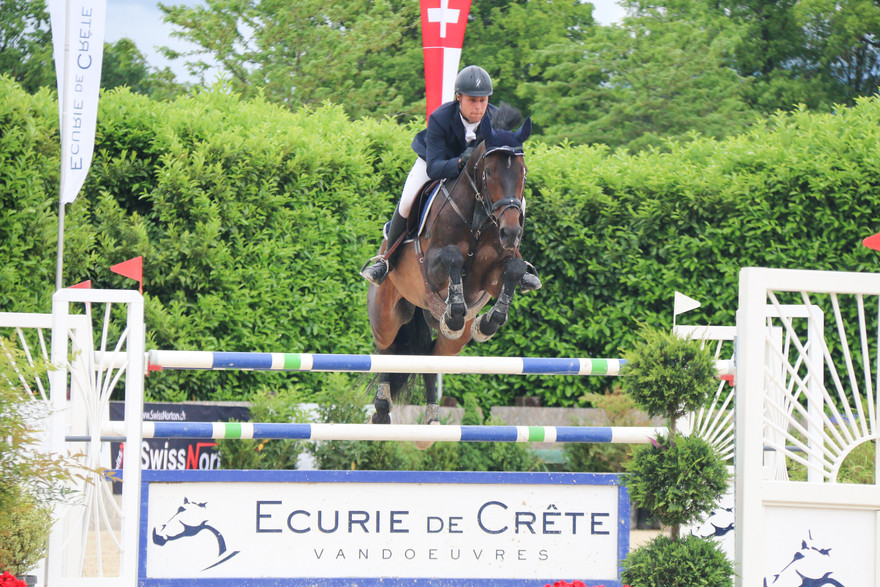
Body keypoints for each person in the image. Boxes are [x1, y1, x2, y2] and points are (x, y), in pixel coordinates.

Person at [359, 65, 541, 292]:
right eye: (472, 101)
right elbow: (435, 167)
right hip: (435, 162)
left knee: (518, 203)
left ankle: (515, 258)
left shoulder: (495, 119)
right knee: (407, 200)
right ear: (459, 98)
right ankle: (387, 260)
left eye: (483, 100)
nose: (478, 107)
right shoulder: (440, 118)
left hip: (475, 173)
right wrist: (460, 162)